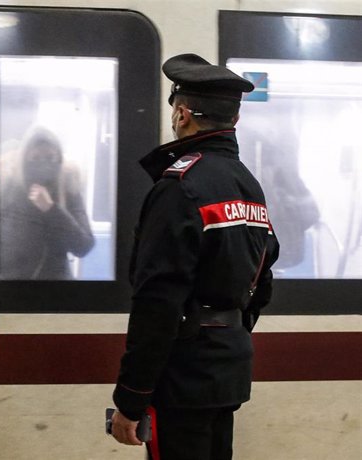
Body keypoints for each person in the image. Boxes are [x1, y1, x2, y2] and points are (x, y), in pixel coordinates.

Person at [110, 53, 280, 459]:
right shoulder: (247, 185)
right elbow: (263, 279)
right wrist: (226, 332)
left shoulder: (179, 187)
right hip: (228, 368)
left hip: (182, 376)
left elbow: (157, 301)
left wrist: (131, 397)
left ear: (183, 114)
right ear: (233, 121)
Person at [0, 126, 94, 280]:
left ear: (59, 159)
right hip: (13, 284)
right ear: (24, 159)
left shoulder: (67, 187)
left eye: (50, 158)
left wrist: (51, 209)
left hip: (56, 286)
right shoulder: (9, 187)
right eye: (35, 158)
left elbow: (83, 245)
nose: (43, 165)